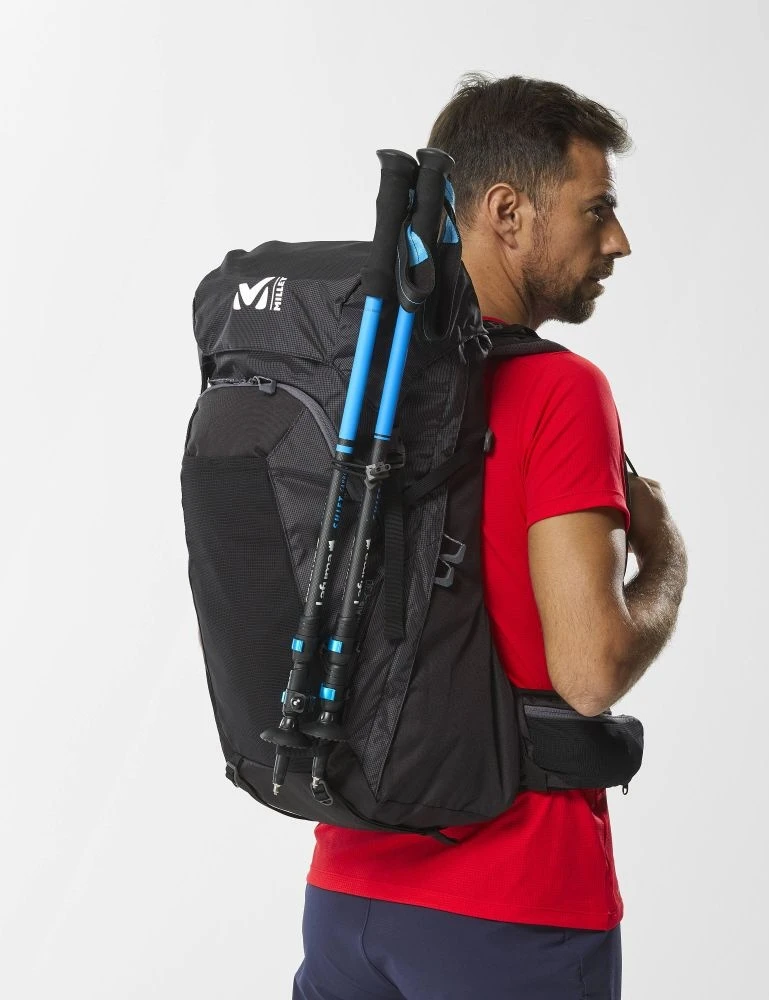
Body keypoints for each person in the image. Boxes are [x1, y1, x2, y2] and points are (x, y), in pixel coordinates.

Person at [293, 74, 688, 1000]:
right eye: (597, 209)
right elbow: (590, 671)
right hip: (512, 909)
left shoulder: (365, 383)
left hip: (348, 889)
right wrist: (665, 554)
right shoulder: (562, 390)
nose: (618, 241)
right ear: (507, 211)